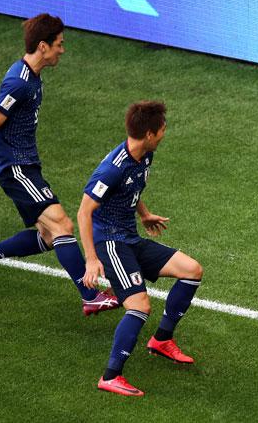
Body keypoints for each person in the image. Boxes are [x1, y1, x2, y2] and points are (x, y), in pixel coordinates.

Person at [0, 13, 119, 315]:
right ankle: (89, 295)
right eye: (59, 45)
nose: (62, 50)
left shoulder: (33, 77)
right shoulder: (18, 83)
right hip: (15, 167)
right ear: (43, 46)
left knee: (50, 236)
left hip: (27, 165)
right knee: (63, 225)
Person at [77, 101, 203, 397]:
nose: (164, 133)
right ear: (148, 133)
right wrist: (91, 260)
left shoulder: (144, 156)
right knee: (139, 306)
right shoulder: (112, 168)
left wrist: (144, 214)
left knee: (192, 270)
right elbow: (84, 212)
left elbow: (132, 189)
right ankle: (111, 375)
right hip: (110, 242)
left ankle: (161, 341)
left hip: (130, 238)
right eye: (162, 130)